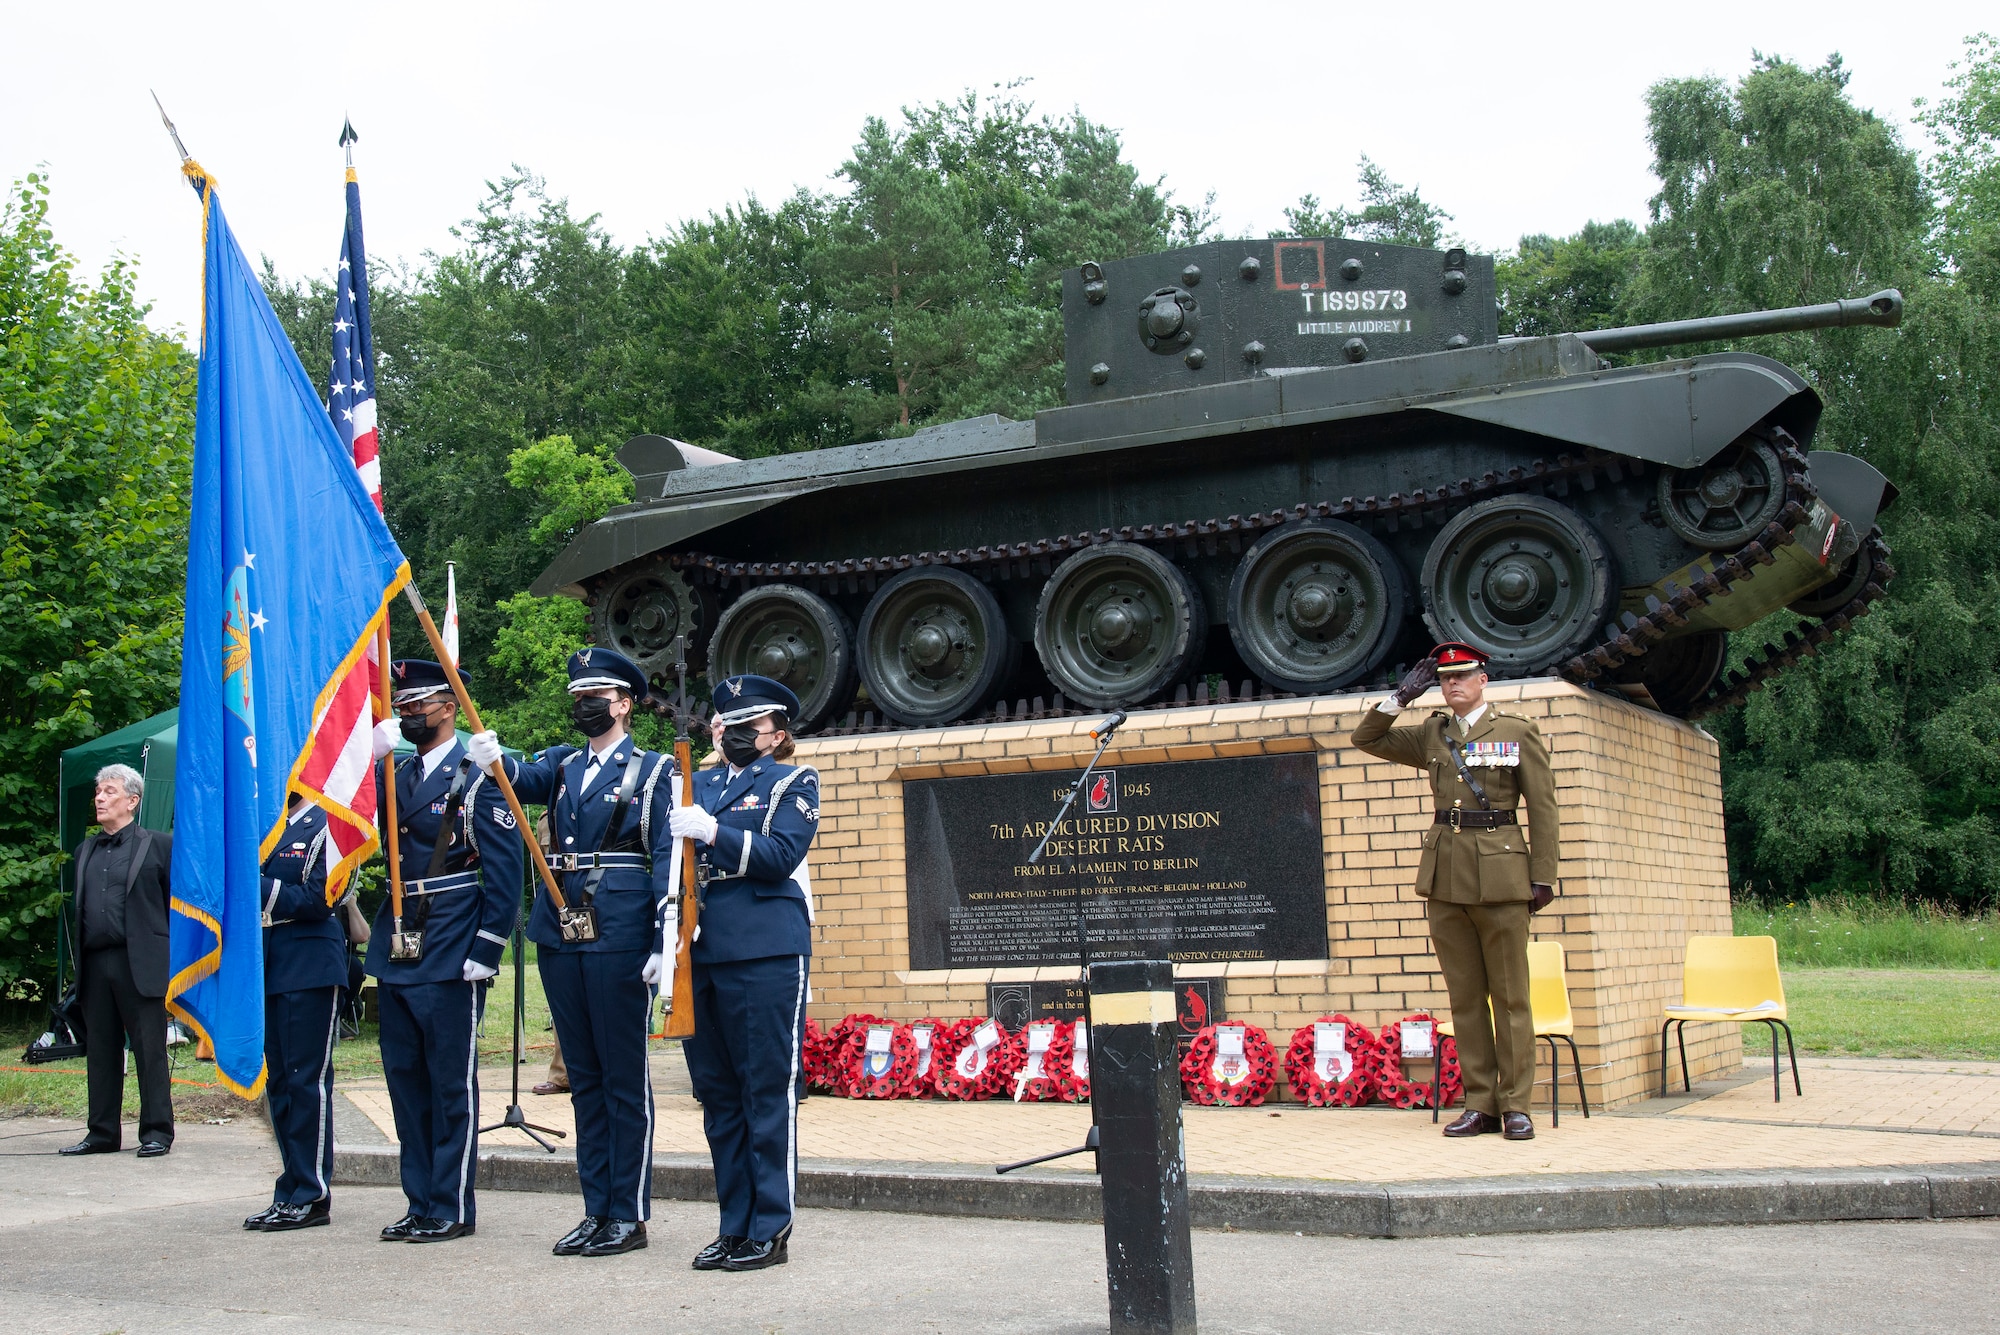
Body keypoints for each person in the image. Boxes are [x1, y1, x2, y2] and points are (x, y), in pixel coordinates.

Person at [468, 647, 676, 1259]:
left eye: (597, 696)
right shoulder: (560, 766)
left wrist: (666, 934)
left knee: (620, 1076)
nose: (585, 706)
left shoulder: (656, 770)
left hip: (620, 928)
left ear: (624, 703)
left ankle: (628, 1213)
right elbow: (517, 779)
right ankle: (596, 1208)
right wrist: (488, 758)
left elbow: (665, 856)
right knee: (582, 1077)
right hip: (562, 927)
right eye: (578, 696)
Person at [1349, 642, 1560, 1142]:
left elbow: (1544, 807)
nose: (1452, 685)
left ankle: (1516, 1107)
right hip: (1445, 877)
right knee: (1465, 999)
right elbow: (1366, 738)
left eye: (1462, 676)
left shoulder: (1515, 731)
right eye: (1444, 678)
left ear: (1483, 679)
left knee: (1511, 999)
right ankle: (1481, 1103)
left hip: (1503, 876)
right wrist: (1401, 697)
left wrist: (1544, 874)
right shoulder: (1432, 733)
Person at [363, 660, 523, 1242]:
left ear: (449, 707)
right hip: (400, 933)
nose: (408, 715)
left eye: (418, 705)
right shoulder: (391, 773)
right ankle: (419, 1199)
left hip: (453, 930)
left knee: (449, 1082)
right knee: (404, 1081)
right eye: (402, 707)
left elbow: (507, 871)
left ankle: (450, 1204)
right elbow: (350, 820)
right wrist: (365, 754)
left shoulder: (477, 776)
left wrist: (488, 944)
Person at [673, 674, 819, 1272]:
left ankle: (769, 1225)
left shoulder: (792, 781)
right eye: (724, 723)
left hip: (763, 947)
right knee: (718, 1094)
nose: (730, 732)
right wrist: (666, 928)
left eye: (745, 725)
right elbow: (671, 862)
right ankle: (733, 1222)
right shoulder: (695, 782)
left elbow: (782, 855)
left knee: (764, 1090)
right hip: (701, 945)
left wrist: (714, 832)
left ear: (774, 734)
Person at [244, 792, 350, 1231]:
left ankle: (311, 1194)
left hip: (309, 964)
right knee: (281, 1085)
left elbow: (319, 898)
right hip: (266, 963)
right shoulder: (267, 826)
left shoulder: (334, 822)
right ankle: (289, 1188)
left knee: (307, 1083)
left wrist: (257, 885)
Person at [61, 764, 175, 1158]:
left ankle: (157, 1131)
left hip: (140, 961)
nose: (99, 798)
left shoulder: (159, 845)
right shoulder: (85, 850)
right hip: (96, 963)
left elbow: (173, 906)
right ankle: (102, 1132)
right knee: (102, 1049)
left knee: (149, 1049)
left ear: (132, 800)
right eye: (98, 792)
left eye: (108, 791)